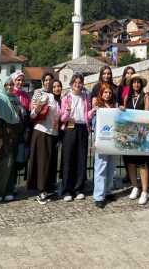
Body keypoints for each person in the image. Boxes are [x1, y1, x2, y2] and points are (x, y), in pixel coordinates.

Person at [0, 72, 29, 203]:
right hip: (5, 137)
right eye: (7, 84)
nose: (10, 87)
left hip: (16, 135)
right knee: (6, 163)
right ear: (2, 85)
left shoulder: (14, 99)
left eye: (11, 84)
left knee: (12, 165)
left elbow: (20, 117)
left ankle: (8, 189)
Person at [28, 72, 61, 205]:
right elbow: (32, 114)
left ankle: (48, 187)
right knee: (42, 162)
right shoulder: (39, 94)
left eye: (50, 80)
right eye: (46, 80)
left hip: (53, 133)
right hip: (42, 131)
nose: (48, 82)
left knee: (50, 162)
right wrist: (40, 106)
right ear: (42, 82)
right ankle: (40, 190)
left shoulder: (57, 97)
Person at [60, 73, 92, 201]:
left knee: (81, 158)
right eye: (75, 83)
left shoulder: (86, 97)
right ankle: (67, 190)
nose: (78, 85)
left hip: (82, 127)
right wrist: (67, 113)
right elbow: (62, 118)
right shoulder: (66, 98)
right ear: (71, 84)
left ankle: (79, 188)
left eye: (80, 83)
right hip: (69, 128)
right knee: (68, 159)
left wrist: (93, 111)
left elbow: (87, 115)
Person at [123, 74, 149, 205]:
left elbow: (146, 112)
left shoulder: (145, 97)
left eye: (138, 82)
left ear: (141, 84)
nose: (136, 84)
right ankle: (135, 186)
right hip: (129, 132)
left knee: (142, 163)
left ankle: (145, 191)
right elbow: (124, 112)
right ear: (131, 84)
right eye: (134, 82)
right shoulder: (126, 97)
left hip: (141, 132)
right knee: (130, 162)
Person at [90, 83, 118, 208]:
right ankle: (99, 196)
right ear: (101, 94)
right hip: (101, 140)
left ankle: (108, 191)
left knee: (111, 167)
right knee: (101, 167)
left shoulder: (114, 106)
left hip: (112, 141)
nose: (107, 95)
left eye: (109, 93)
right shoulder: (98, 106)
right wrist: (93, 111)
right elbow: (89, 118)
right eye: (105, 92)